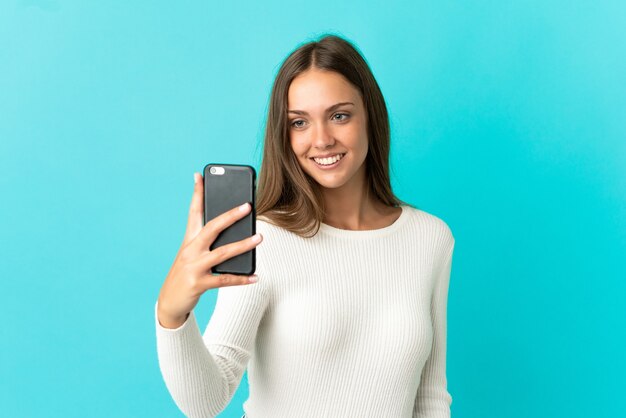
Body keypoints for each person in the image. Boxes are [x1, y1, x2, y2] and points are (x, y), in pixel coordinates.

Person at [155, 34, 455, 418]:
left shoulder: (430, 239)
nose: (322, 140)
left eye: (339, 115)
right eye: (299, 122)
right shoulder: (263, 239)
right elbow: (204, 401)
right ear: (284, 133)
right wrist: (171, 313)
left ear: (370, 116)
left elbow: (429, 398)